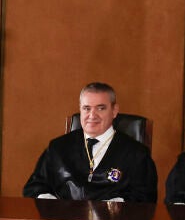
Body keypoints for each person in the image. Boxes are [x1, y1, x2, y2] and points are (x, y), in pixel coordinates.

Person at [23, 82, 158, 202]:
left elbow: (145, 197)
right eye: (87, 108)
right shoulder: (58, 148)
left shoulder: (136, 153)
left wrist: (113, 208)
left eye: (100, 108)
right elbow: (34, 187)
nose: (92, 115)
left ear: (114, 111)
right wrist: (55, 206)